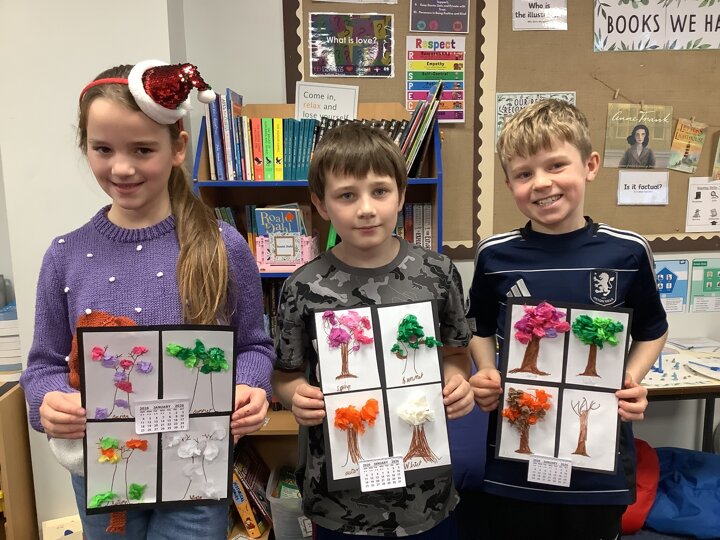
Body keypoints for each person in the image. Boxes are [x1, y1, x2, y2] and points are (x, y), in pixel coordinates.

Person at [19, 61, 275, 539]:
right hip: (106, 470)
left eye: (142, 149)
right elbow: (42, 366)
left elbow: (253, 346)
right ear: (85, 147)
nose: (121, 167)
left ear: (177, 148)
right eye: (103, 149)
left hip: (196, 465)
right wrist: (47, 401)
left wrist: (250, 387)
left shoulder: (221, 246)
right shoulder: (65, 255)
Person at [467, 99, 668, 540]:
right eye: (523, 174)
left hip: (597, 463)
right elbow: (477, 327)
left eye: (556, 165)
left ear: (590, 165)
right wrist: (484, 369)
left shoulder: (627, 252)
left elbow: (653, 330)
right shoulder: (494, 256)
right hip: (517, 460)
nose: (541, 183)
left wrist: (631, 380)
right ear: (509, 183)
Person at [272, 123, 474, 538]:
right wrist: (296, 396)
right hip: (339, 500)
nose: (365, 208)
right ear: (321, 204)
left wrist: (458, 383)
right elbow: (285, 374)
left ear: (401, 195)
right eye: (347, 195)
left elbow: (456, 353)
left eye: (379, 191)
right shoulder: (302, 286)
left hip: (424, 495)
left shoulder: (437, 273)